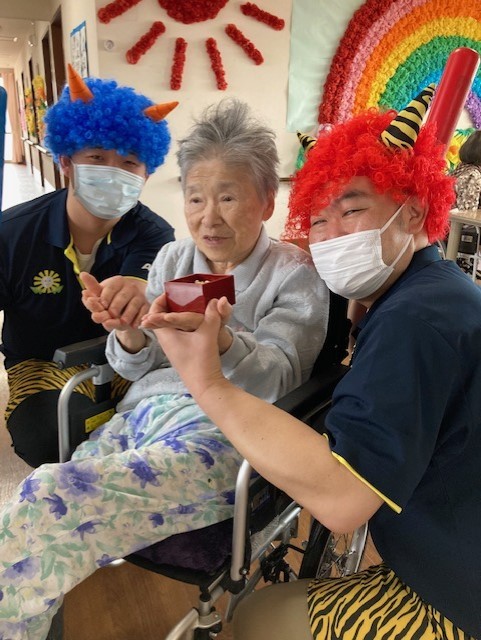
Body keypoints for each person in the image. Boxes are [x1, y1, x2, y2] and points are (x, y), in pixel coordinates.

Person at [154, 88, 481, 640]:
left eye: (351, 210)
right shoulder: (432, 291)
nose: (330, 238)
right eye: (318, 220)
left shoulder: (413, 321)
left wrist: (207, 381)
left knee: (257, 618)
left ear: (415, 210)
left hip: (455, 592)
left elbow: (342, 498)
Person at [0, 98, 329, 640]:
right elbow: (137, 362)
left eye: (228, 197)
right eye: (195, 198)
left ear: (268, 201)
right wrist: (127, 332)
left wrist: (222, 342)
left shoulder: (294, 275)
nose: (208, 217)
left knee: (49, 496)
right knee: (45, 521)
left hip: (226, 429)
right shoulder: (175, 259)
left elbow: (283, 377)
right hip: (142, 414)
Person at [0, 65, 176, 467]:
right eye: (97, 157)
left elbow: (141, 294)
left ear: (147, 173)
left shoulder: (154, 234)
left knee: (164, 436)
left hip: (129, 358)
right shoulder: (12, 234)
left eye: (130, 163)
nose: (114, 172)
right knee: (52, 438)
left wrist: (137, 291)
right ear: (66, 162)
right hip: (42, 362)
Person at [451, 130, 481, 277]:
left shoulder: (460, 169)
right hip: (458, 228)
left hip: (446, 224)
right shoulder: (474, 176)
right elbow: (468, 214)